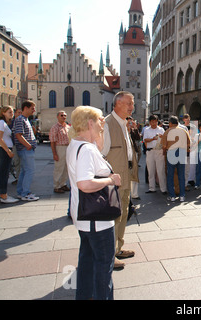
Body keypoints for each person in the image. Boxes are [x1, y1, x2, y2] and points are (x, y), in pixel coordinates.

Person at [66, 106, 121, 300]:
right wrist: (111, 180)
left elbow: (98, 148)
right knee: (103, 268)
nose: (101, 125)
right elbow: (85, 183)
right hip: (97, 220)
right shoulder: (87, 149)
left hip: (85, 217)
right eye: (99, 121)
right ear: (90, 123)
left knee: (87, 263)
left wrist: (99, 131)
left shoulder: (77, 144)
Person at [101, 91, 138, 270]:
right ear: (117, 104)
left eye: (132, 103)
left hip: (125, 175)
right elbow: (101, 155)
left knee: (122, 213)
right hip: (114, 178)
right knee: (114, 215)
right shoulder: (107, 124)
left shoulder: (124, 123)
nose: (132, 106)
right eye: (129, 103)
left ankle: (118, 248)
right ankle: (109, 254)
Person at [13, 100, 39, 201]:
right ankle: (26, 193)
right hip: (25, 150)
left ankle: (21, 192)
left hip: (25, 149)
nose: (34, 110)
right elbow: (18, 135)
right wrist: (28, 146)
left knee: (24, 171)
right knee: (30, 171)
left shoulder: (25, 119)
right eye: (32, 108)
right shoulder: (21, 119)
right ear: (26, 108)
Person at [162, 116, 190, 202]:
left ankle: (172, 196)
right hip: (181, 152)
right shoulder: (184, 131)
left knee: (170, 174)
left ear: (170, 123)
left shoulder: (168, 131)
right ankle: (182, 195)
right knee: (181, 174)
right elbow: (188, 144)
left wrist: (164, 152)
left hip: (171, 152)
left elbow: (164, 145)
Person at [0, 106, 19, 203]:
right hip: (3, 150)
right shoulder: (1, 123)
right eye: (9, 112)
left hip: (3, 149)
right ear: (3, 112)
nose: (12, 113)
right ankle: (3, 195)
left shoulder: (4, 123)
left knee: (1, 172)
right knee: (3, 173)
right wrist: (8, 151)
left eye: (12, 111)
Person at [142, 115, 166, 194]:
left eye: (155, 121)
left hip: (159, 151)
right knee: (151, 170)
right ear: (150, 122)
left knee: (161, 170)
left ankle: (163, 188)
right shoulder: (147, 130)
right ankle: (152, 188)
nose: (154, 123)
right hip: (150, 151)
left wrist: (162, 137)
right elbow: (145, 140)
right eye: (152, 121)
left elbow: (165, 140)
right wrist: (153, 138)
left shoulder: (161, 129)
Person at [50, 110, 70, 193]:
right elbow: (52, 141)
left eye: (65, 115)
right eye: (61, 115)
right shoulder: (55, 127)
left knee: (66, 167)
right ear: (57, 117)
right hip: (60, 147)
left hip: (68, 147)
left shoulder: (68, 127)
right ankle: (56, 186)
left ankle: (63, 184)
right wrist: (54, 153)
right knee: (59, 167)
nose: (63, 117)